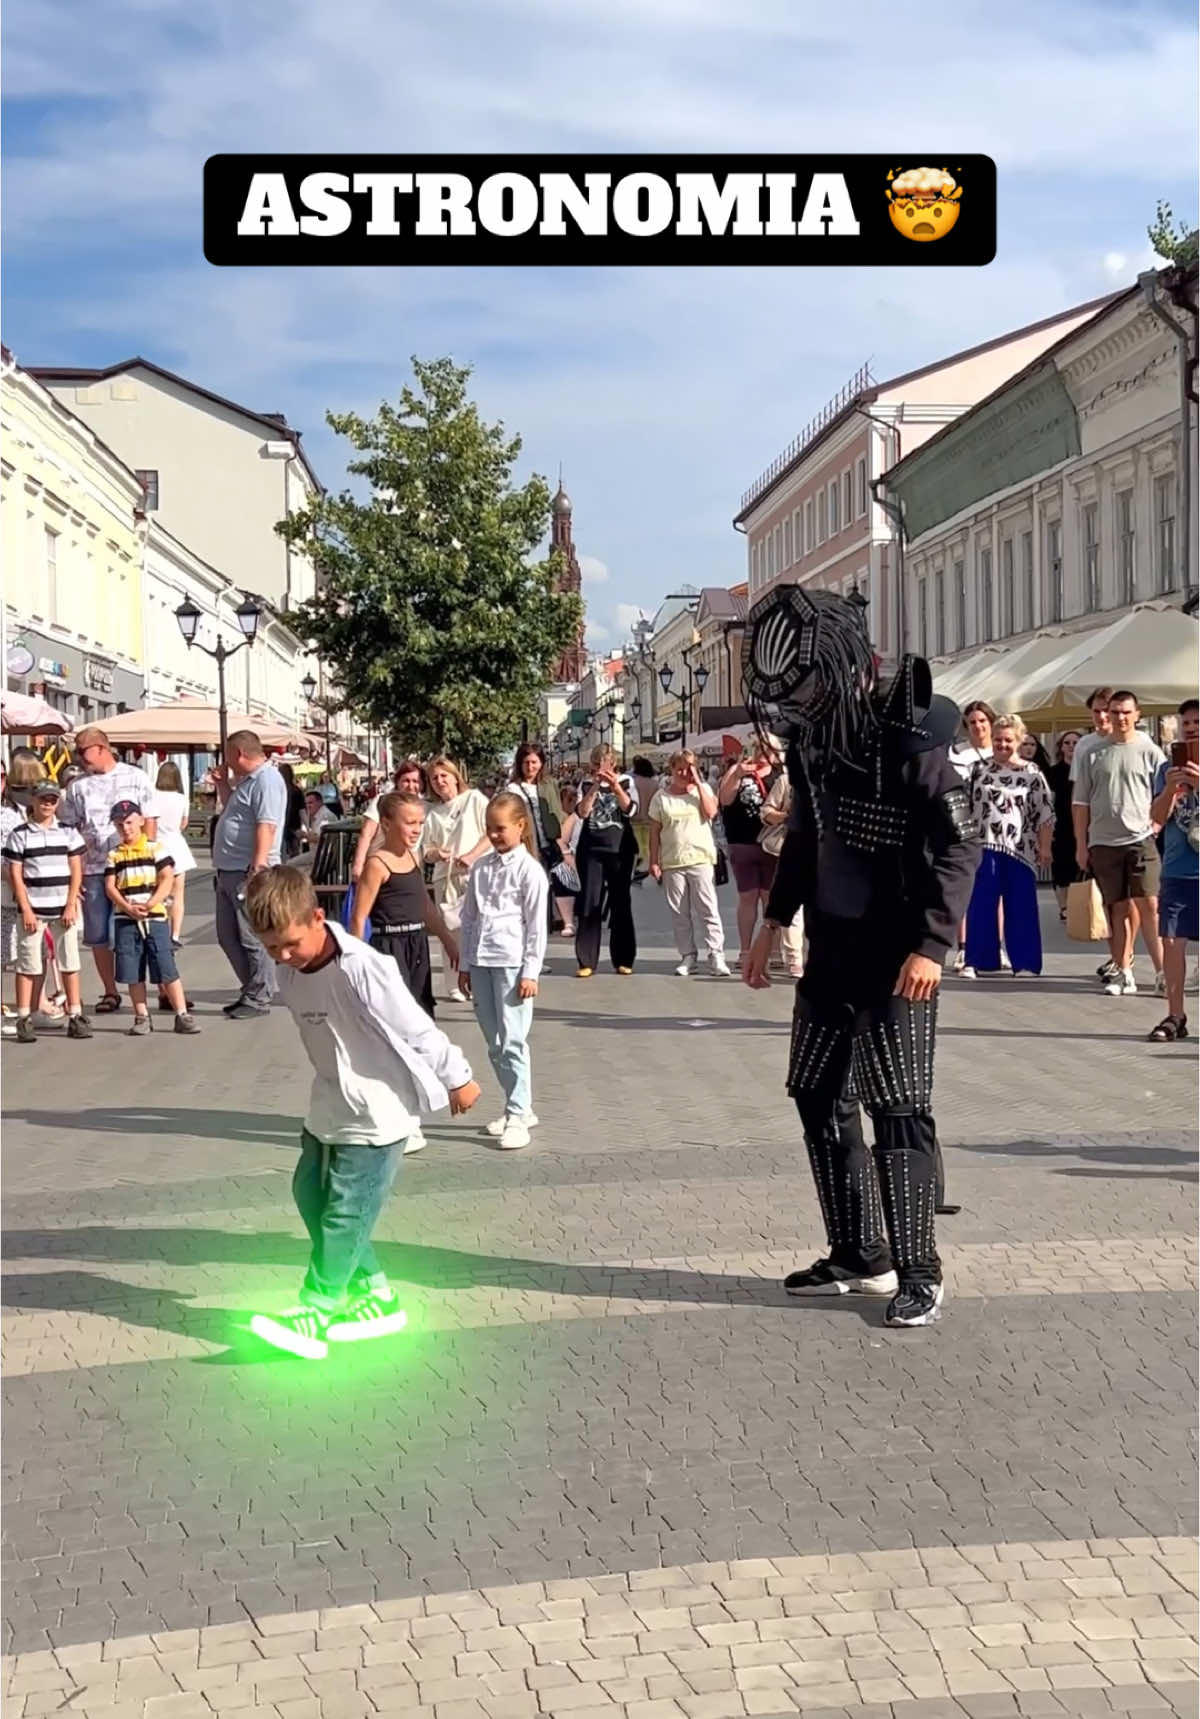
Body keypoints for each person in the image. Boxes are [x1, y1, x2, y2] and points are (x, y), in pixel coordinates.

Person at [741, 585, 980, 1329]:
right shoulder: (811, 740)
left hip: (898, 951)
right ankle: (857, 1250)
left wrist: (933, 943)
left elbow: (961, 839)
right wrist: (770, 922)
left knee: (898, 1105)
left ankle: (920, 1269)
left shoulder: (908, 728)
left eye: (807, 683)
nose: (799, 700)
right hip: (833, 948)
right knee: (815, 1091)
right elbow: (808, 838)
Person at [243, 865, 480, 1358]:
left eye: (290, 943)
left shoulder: (362, 967)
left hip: (379, 1111)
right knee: (309, 1193)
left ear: (317, 917)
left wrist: (458, 1076)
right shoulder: (288, 972)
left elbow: (415, 1025)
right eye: (270, 948)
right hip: (330, 1103)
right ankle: (376, 1295)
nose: (282, 957)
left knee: (346, 1212)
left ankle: (317, 1308)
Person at [350, 792, 461, 1153]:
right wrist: (355, 962)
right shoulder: (377, 863)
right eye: (409, 823)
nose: (416, 829)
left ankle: (407, 1114)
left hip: (416, 949)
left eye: (419, 822)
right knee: (396, 1038)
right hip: (388, 952)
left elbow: (425, 906)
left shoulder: (412, 857)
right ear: (386, 824)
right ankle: (404, 1119)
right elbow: (359, 917)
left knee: (420, 1029)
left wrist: (447, 939)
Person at [457, 791, 548, 1151]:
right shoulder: (481, 867)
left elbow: (536, 925)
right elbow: (469, 918)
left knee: (512, 1039)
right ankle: (518, 1105)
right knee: (494, 1043)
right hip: (482, 960)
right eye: (489, 829)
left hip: (511, 961)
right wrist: (464, 962)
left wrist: (531, 972)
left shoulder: (530, 872)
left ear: (520, 826)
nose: (494, 836)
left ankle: (518, 1111)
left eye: (500, 829)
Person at [58, 726, 159, 1017]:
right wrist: (71, 872)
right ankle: (110, 991)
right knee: (98, 933)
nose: (79, 757)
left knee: (138, 928)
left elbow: (150, 819)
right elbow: (69, 830)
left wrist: (149, 858)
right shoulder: (77, 786)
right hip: (92, 868)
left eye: (83, 751)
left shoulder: (135, 776)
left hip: (131, 866)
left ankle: (148, 988)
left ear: (101, 748)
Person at [1072, 690, 1165, 997]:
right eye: (1114, 712)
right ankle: (1123, 970)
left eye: (1126, 712)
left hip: (1140, 839)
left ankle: (1163, 972)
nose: (1119, 718)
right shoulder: (1092, 752)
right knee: (1117, 909)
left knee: (1150, 905)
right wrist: (1081, 845)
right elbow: (1080, 802)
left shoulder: (1149, 749)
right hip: (1102, 841)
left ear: (1137, 714)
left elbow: (1169, 789)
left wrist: (1157, 822)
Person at [963, 716, 1054, 978]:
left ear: (1019, 740)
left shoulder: (1032, 773)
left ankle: (1025, 963)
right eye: (998, 739)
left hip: (1020, 847)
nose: (1002, 744)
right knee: (980, 903)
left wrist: (1045, 847)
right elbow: (967, 808)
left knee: (1021, 906)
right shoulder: (979, 770)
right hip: (983, 844)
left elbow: (1045, 812)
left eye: (1008, 740)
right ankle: (978, 960)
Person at [4, 779, 91, 1043]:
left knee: (69, 961)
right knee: (28, 963)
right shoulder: (20, 834)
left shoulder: (67, 832)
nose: (48, 805)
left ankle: (75, 1014)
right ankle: (24, 1016)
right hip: (34, 908)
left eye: (53, 800)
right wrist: (26, 909)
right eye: (44, 800)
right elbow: (16, 875)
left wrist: (71, 903)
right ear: (33, 801)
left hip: (62, 907)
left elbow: (75, 868)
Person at [104, 800, 200, 1036]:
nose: (125, 828)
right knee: (132, 969)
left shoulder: (156, 848)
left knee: (166, 966)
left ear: (140, 821)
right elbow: (110, 886)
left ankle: (181, 1014)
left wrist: (151, 903)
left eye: (129, 822)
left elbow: (167, 878)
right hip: (126, 919)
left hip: (154, 918)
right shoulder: (114, 854)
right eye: (119, 824)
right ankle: (141, 1016)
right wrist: (126, 907)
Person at [211, 730, 288, 1019]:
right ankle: (251, 988)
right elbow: (236, 811)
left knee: (251, 937)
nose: (227, 762)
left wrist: (257, 867)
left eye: (229, 756)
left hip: (247, 870)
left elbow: (265, 826)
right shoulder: (247, 782)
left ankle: (259, 995)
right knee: (227, 935)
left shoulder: (266, 780)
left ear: (239, 754)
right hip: (228, 869)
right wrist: (222, 786)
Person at [649, 749, 730, 978]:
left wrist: (698, 783)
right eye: (680, 768)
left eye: (689, 767)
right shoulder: (661, 797)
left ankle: (716, 954)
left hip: (700, 858)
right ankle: (688, 955)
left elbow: (711, 812)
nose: (684, 772)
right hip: (673, 861)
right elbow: (655, 832)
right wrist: (654, 860)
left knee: (708, 908)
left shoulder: (702, 790)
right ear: (672, 769)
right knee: (679, 912)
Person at [1147, 698, 1199, 1042]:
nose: (1191, 729)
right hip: (1178, 869)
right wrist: (1169, 788)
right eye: (1187, 724)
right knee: (1171, 941)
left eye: (1197, 723)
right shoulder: (1167, 768)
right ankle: (1174, 1015)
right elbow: (1155, 817)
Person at [423, 757, 490, 1002]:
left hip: (476, 872)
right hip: (447, 876)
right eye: (434, 778)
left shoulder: (474, 799)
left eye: (444, 776)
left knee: (480, 928)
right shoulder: (432, 814)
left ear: (454, 776)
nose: (440, 782)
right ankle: (454, 982)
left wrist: (472, 855)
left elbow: (491, 831)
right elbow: (426, 851)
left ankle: (479, 978)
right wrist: (437, 853)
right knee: (450, 930)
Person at [573, 744, 637, 978]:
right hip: (591, 849)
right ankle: (587, 959)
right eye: (599, 762)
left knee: (621, 902)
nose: (603, 766)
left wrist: (615, 786)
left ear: (614, 762)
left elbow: (630, 809)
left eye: (607, 762)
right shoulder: (586, 784)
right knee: (589, 902)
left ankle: (623, 958)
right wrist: (596, 787)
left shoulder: (628, 781)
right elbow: (582, 812)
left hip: (619, 848)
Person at [718, 741, 782, 963]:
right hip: (742, 842)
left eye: (768, 750)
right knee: (747, 897)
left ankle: (772, 951)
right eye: (758, 749)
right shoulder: (738, 771)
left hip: (773, 844)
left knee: (770, 898)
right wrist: (736, 774)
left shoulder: (781, 774)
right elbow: (724, 799)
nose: (762, 754)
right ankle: (745, 951)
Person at [947, 701, 995, 973]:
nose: (978, 726)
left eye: (982, 721)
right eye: (973, 722)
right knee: (966, 889)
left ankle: (994, 945)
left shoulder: (1000, 749)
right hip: (965, 829)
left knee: (993, 891)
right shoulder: (958, 754)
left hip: (995, 830)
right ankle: (964, 948)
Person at [509, 742, 565, 926]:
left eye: (534, 762)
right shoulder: (513, 788)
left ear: (541, 763)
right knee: (531, 884)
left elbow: (558, 812)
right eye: (526, 762)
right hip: (527, 844)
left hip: (549, 841)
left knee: (550, 881)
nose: (530, 767)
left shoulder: (549, 784)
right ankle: (533, 919)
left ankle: (551, 917)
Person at [351, 759, 427, 884]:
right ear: (398, 782)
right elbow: (367, 834)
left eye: (415, 781)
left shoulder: (425, 806)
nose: (411, 786)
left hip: (412, 864)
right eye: (406, 781)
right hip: (382, 863)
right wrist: (358, 865)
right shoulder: (382, 801)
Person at [153, 763, 196, 948]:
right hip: (177, 846)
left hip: (157, 847)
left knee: (157, 893)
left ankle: (158, 931)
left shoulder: (152, 797)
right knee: (178, 895)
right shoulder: (181, 798)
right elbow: (183, 824)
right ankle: (175, 935)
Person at [1046, 732, 1083, 918]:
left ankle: (1079, 905)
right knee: (1061, 867)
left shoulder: (1086, 769)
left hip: (1082, 824)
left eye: (1075, 742)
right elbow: (1048, 801)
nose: (1071, 746)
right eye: (1067, 743)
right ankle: (1063, 907)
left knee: (1080, 866)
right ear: (1061, 747)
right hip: (1060, 825)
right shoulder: (1053, 772)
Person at [277, 763, 306, 859]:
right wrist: (307, 826)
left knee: (281, 852)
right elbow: (302, 811)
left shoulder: (277, 790)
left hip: (280, 824)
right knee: (294, 852)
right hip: (294, 825)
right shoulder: (297, 790)